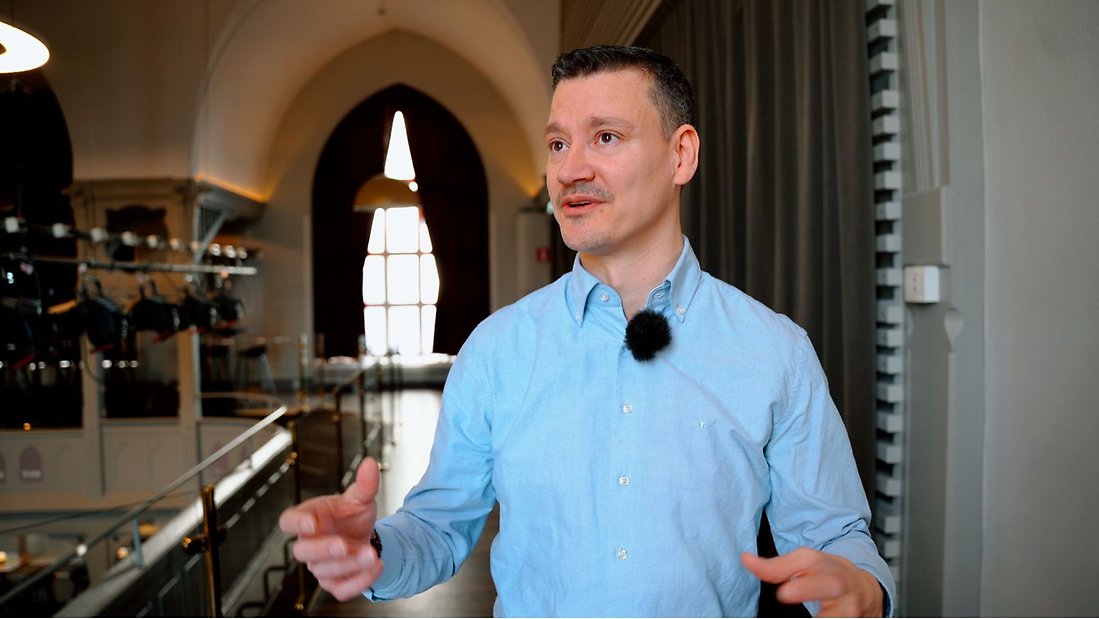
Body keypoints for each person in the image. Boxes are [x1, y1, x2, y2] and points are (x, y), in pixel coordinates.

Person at [280, 45, 895, 617]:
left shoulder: (775, 351)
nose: (571, 169)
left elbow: (834, 534)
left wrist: (861, 587)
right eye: (557, 144)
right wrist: (374, 549)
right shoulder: (495, 350)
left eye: (605, 137)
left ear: (681, 155)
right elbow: (437, 528)